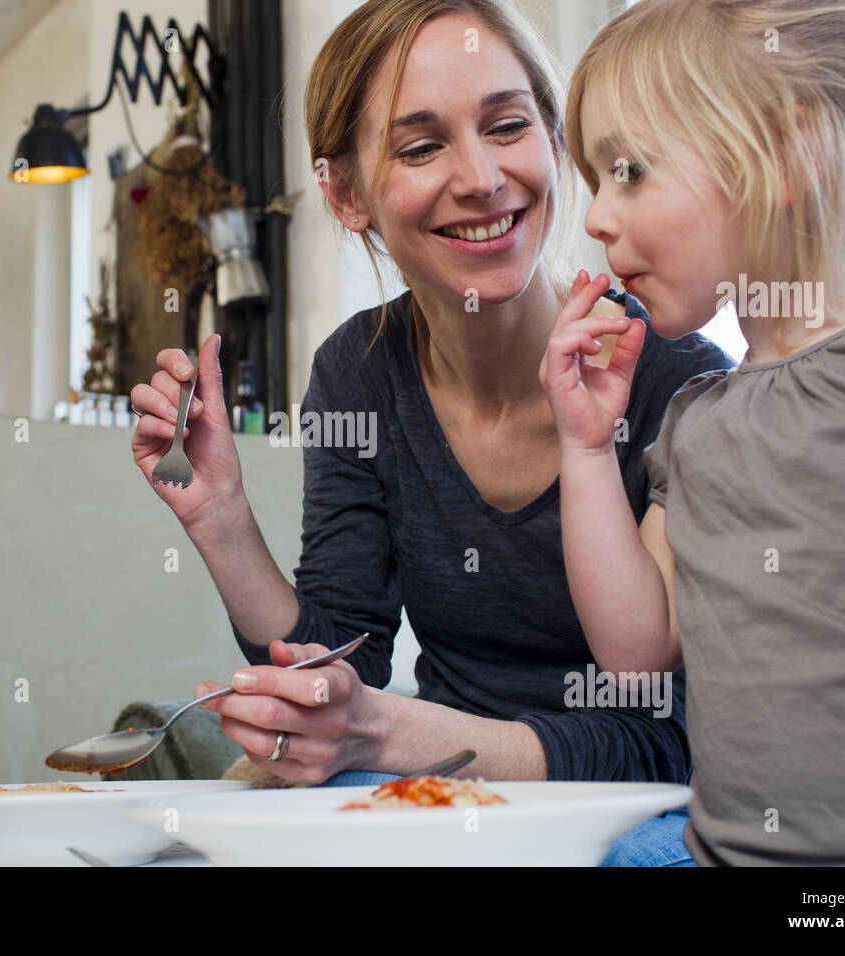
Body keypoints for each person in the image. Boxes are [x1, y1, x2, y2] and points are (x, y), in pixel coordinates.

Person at [131, 0, 729, 859]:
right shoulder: (358, 369)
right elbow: (343, 660)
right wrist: (221, 518)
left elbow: (672, 747)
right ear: (345, 193)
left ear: (554, 141)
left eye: (508, 125)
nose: (482, 177)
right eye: (419, 147)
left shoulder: (677, 373)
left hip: (633, 805)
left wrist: (385, 734)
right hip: (439, 787)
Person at [549, 0, 845, 864]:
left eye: (628, 170)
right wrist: (587, 448)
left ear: (787, 152)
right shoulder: (695, 416)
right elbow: (635, 654)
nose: (595, 216)